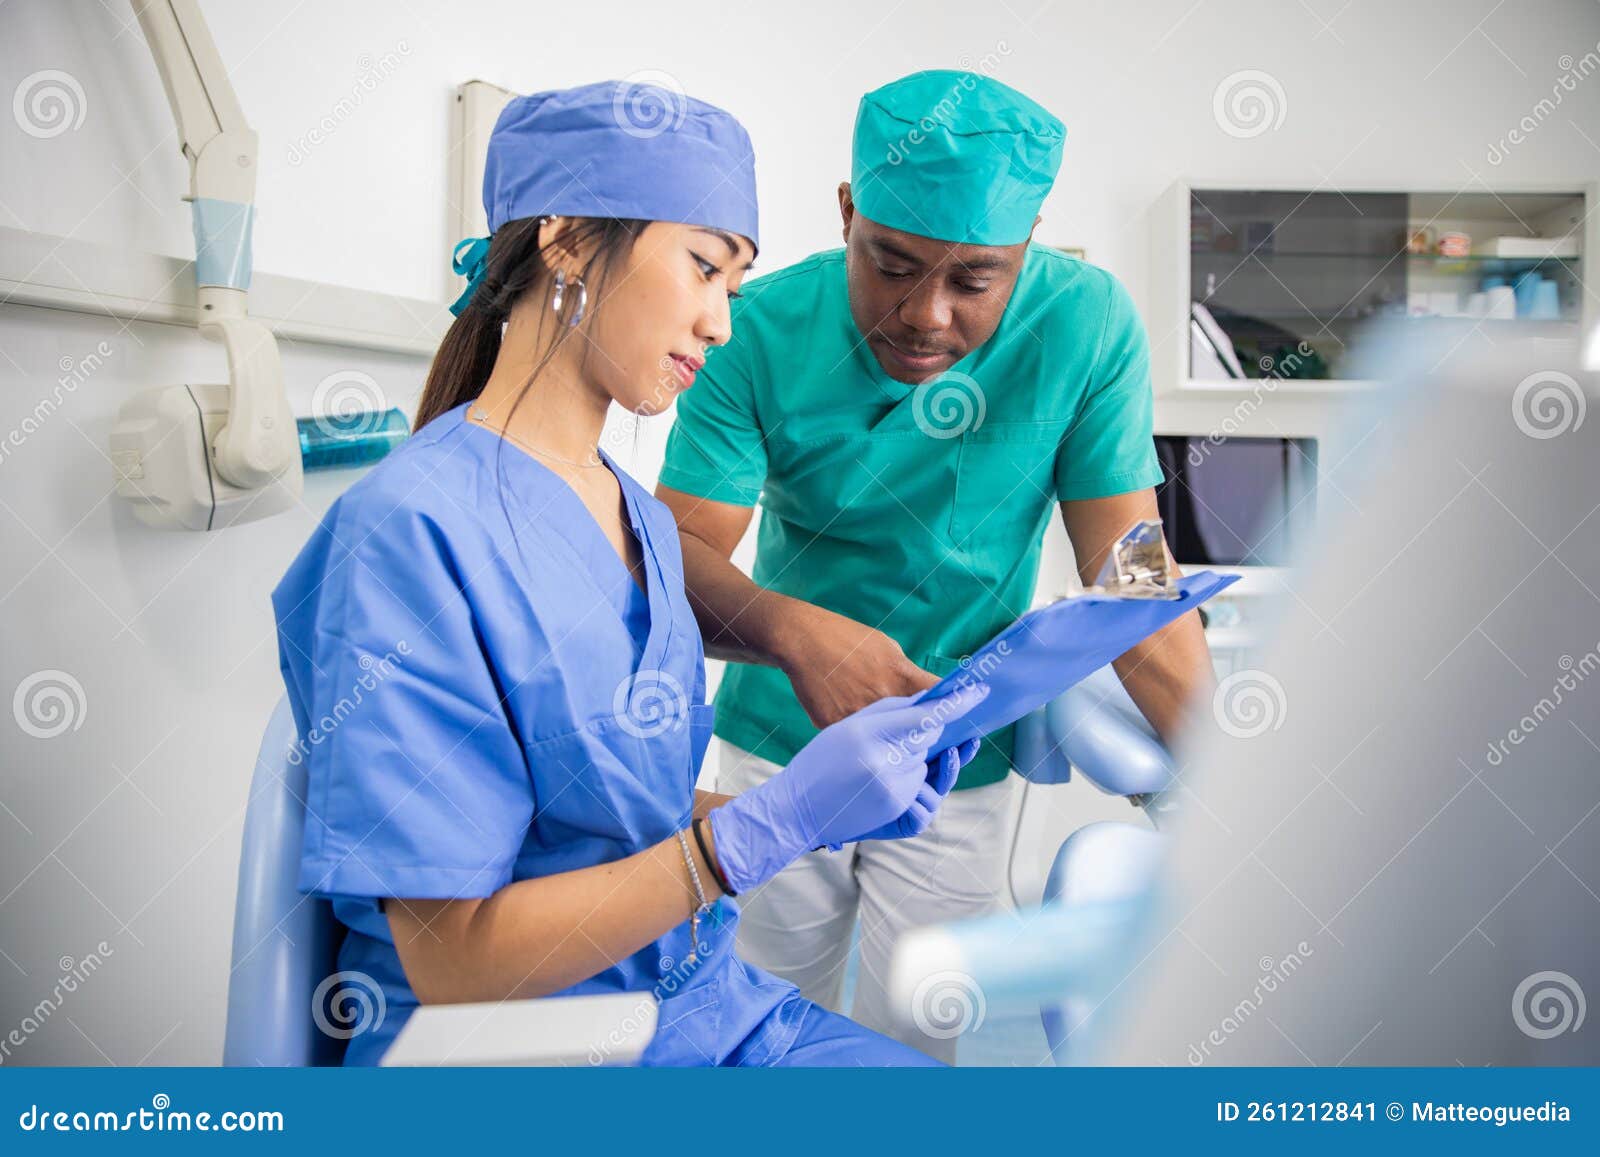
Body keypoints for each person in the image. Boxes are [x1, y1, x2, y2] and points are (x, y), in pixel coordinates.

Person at [271, 80, 989, 1068]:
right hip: (522, 1055)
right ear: (564, 240)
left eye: (733, 288)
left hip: (696, 1006)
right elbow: (452, 957)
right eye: (702, 268)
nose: (721, 323)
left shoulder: (638, 519)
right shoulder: (412, 528)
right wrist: (741, 840)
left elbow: (602, 824)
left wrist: (811, 808)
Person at [655, 70, 1215, 1061]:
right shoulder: (754, 327)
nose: (924, 316)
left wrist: (1229, 791)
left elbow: (1130, 575)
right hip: (776, 746)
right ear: (845, 215)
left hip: (959, 755)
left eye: (973, 279)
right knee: (750, 1026)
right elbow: (676, 558)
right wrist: (795, 634)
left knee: (919, 1037)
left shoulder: (1085, 328)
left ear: (1029, 243)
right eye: (892, 264)